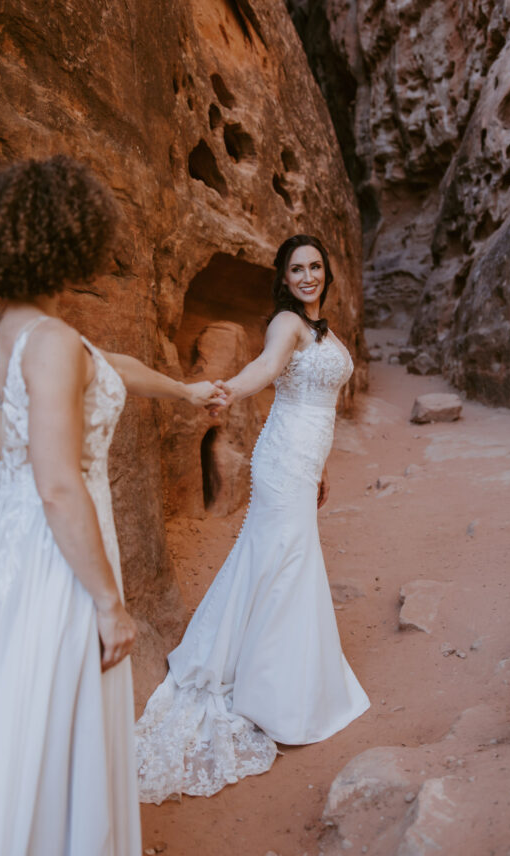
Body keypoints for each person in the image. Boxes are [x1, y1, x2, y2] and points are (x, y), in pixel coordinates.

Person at [0, 156, 222, 856]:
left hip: (2, 534)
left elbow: (106, 364)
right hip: (56, 546)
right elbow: (57, 481)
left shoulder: (6, 326)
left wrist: (185, 390)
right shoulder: (49, 341)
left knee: (0, 704)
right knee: (53, 704)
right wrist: (110, 602)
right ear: (62, 237)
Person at [136, 233, 370, 804]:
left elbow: (319, 405)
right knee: (283, 562)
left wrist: (318, 467)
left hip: (301, 458)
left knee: (275, 559)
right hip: (280, 456)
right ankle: (272, 696)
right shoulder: (287, 324)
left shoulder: (324, 329)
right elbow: (265, 369)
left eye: (316, 266)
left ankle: (274, 675)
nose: (309, 276)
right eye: (298, 269)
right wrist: (227, 392)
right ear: (284, 278)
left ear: (325, 273)